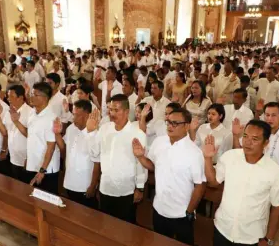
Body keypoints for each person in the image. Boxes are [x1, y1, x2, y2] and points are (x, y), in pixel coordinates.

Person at [203, 120, 279, 246]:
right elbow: (213, 182)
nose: (248, 142)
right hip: (223, 228)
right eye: (245, 136)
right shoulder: (230, 157)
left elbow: (278, 208)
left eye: (255, 139)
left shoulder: (276, 173)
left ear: (266, 142)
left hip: (251, 236)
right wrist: (207, 158)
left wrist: (268, 239)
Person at [133, 108, 205, 245]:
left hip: (181, 214)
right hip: (159, 209)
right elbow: (154, 166)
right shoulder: (160, 142)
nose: (170, 126)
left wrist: (189, 211)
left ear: (187, 126)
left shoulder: (194, 153)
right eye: (168, 122)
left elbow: (200, 185)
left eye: (175, 123)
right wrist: (140, 157)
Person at [87, 94, 148, 223]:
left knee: (126, 228)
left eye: (116, 110)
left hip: (126, 190)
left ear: (126, 112)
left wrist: (140, 187)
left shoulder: (137, 133)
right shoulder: (104, 128)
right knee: (106, 224)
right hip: (106, 187)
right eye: (110, 109)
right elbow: (94, 152)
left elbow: (141, 163)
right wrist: (91, 132)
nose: (112, 113)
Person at [54, 100, 101, 209]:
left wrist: (93, 185)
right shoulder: (71, 129)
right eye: (73, 114)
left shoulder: (95, 134)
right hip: (70, 182)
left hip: (85, 185)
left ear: (87, 116)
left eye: (76, 115)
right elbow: (63, 148)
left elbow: (97, 163)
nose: (73, 118)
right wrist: (57, 134)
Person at [26, 82, 61, 194]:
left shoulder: (51, 118)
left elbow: (51, 147)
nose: (31, 97)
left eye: (35, 95)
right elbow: (31, 137)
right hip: (33, 163)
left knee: (47, 200)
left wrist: (42, 170)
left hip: (46, 169)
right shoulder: (32, 113)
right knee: (34, 197)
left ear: (45, 98)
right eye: (32, 93)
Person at [0, 85, 33, 182]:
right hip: (13, 156)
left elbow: (32, 137)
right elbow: (5, 132)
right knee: (16, 183)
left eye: (11, 96)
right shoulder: (10, 110)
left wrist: (29, 157)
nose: (8, 99)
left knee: (26, 186)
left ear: (20, 97)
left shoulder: (30, 112)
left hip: (25, 158)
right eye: (8, 96)